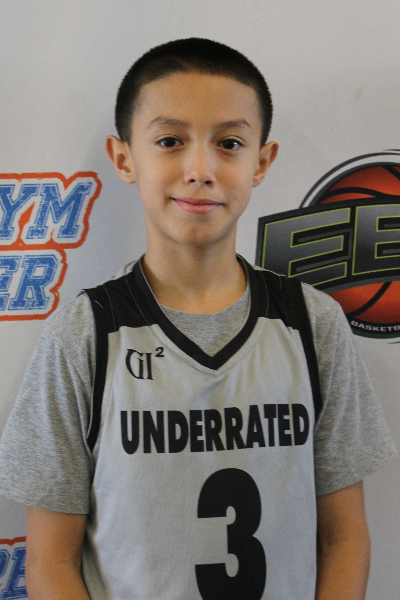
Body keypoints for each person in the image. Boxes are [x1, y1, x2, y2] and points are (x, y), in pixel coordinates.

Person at [0, 38, 396, 600]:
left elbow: (345, 539)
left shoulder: (313, 324)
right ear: (124, 157)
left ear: (261, 162)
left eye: (229, 144)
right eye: (170, 141)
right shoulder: (84, 335)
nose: (201, 169)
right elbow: (48, 562)